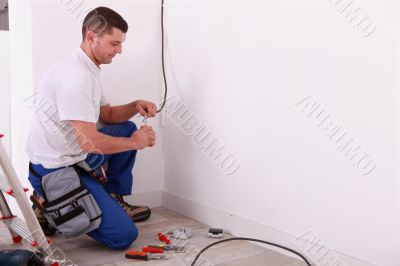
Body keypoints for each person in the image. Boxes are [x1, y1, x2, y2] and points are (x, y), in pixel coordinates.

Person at [26, 6, 157, 250]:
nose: (120, 51)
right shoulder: (75, 77)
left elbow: (107, 115)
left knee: (126, 127)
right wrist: (136, 143)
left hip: (76, 154)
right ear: (91, 37)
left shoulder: (89, 68)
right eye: (114, 44)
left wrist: (135, 105)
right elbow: (90, 142)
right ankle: (48, 203)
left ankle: (110, 198)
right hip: (55, 168)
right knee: (123, 236)